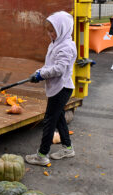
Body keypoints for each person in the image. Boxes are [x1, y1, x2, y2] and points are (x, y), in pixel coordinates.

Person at [25, 11, 77, 166]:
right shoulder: (56, 44)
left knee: (49, 120)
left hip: (62, 88)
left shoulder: (66, 47)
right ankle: (68, 148)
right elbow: (50, 66)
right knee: (59, 117)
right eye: (48, 30)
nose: (50, 34)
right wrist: (39, 72)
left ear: (63, 29)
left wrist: (42, 75)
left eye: (53, 31)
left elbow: (59, 69)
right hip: (58, 87)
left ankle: (42, 155)